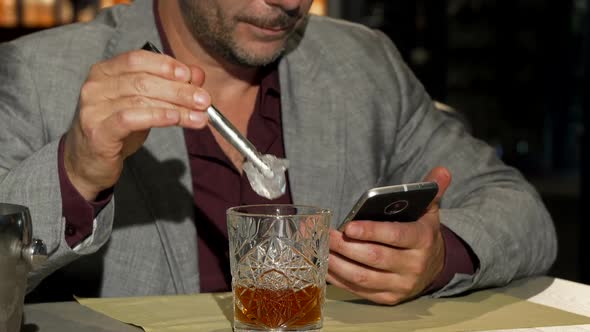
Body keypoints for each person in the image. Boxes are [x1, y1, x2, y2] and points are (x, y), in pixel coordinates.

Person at [0, 0, 557, 305]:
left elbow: (519, 210)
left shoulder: (362, 65)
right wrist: (77, 171)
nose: (290, 2)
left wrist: (436, 257)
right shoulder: (40, 72)